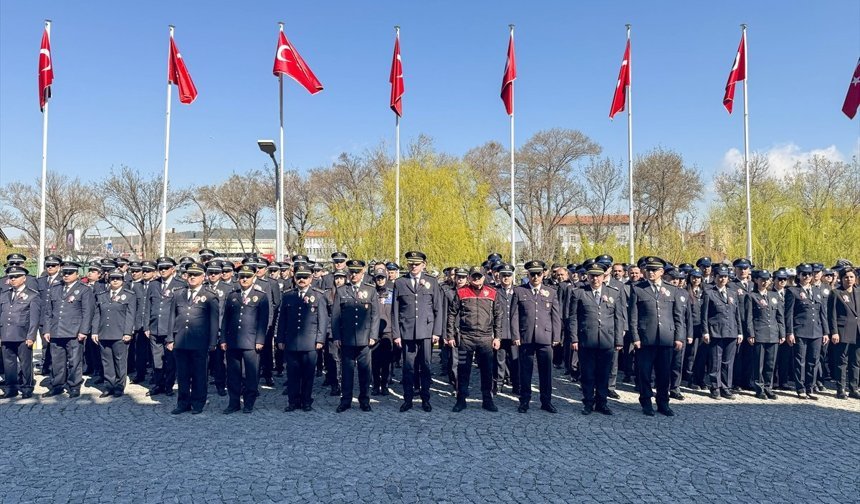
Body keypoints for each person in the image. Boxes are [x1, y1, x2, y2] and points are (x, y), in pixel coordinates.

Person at [628, 257, 684, 416]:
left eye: (654, 270)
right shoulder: (638, 288)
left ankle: (663, 402)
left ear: (662, 272)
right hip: (645, 338)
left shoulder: (672, 289)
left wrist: (678, 337)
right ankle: (646, 401)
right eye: (648, 270)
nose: (650, 272)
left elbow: (678, 316)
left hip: (666, 337)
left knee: (664, 373)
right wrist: (635, 337)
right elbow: (633, 316)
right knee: (644, 373)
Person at [446, 266, 503, 412]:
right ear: (469, 277)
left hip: (485, 339)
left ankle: (487, 400)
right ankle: (461, 399)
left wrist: (497, 337)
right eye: (474, 276)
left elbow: (498, 316)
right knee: (463, 370)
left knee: (487, 371)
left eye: (479, 276)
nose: (476, 279)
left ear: (484, 277)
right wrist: (450, 335)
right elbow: (452, 314)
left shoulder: (492, 293)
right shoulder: (461, 292)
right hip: (466, 338)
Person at [391, 251, 443, 413]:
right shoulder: (400, 283)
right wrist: (396, 334)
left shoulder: (432, 282)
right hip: (407, 332)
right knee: (408, 367)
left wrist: (436, 332)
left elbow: (438, 308)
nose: (413, 266)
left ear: (424, 265)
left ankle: (425, 399)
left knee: (425, 367)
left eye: (417, 264)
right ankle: (407, 399)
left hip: (426, 331)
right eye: (411, 264)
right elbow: (395, 310)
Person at [569, 262, 624, 415]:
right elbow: (573, 318)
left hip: (607, 340)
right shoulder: (578, 293)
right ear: (588, 276)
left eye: (598, 276)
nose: (595, 279)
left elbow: (618, 318)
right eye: (592, 276)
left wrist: (618, 340)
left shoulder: (613, 292)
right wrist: (574, 339)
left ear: (603, 276)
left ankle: (602, 402)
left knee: (604, 373)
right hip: (586, 340)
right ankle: (588, 402)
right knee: (587, 374)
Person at [510, 260, 562, 413]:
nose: (535, 277)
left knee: (546, 372)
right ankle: (524, 401)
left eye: (538, 274)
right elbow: (514, 315)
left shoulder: (551, 292)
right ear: (528, 274)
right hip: (526, 337)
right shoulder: (519, 291)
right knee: (525, 371)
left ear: (543, 274)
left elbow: (556, 317)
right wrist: (516, 335)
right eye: (532, 274)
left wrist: (556, 337)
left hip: (545, 338)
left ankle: (546, 401)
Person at [277, 264, 328, 412]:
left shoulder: (318, 295)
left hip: (310, 342)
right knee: (292, 374)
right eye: (299, 277)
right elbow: (283, 320)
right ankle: (292, 402)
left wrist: (320, 339)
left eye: (305, 277)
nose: (302, 280)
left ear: (311, 278)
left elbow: (322, 320)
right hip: (292, 342)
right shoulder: (288, 295)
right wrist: (280, 339)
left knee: (307, 375)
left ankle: (306, 401)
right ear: (294, 278)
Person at [171, 262, 219, 414]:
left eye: (196, 275)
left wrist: (212, 342)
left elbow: (213, 321)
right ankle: (183, 402)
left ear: (203, 277)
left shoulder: (210, 296)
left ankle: (198, 402)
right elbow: (172, 317)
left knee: (199, 374)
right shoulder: (178, 294)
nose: (192, 277)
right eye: (190, 274)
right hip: (181, 341)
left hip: (199, 342)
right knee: (183, 375)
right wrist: (169, 338)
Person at [331, 260, 379, 412]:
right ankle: (345, 400)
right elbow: (335, 316)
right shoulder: (341, 291)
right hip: (347, 338)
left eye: (356, 272)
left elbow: (375, 315)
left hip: (365, 338)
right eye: (351, 272)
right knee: (347, 372)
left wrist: (373, 335)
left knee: (365, 372)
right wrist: (337, 336)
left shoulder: (370, 290)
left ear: (362, 273)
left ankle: (364, 400)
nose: (353, 275)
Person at [220, 265, 269, 414]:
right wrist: (223, 339)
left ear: (254, 278)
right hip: (233, 341)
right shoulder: (232, 295)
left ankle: (249, 403)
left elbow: (263, 321)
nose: (245, 279)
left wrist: (260, 340)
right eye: (242, 277)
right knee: (233, 374)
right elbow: (225, 319)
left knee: (250, 374)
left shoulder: (261, 296)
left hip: (251, 342)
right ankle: (233, 403)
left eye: (248, 276)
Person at [42, 261, 95, 398]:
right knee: (57, 360)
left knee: (74, 361)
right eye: (64, 273)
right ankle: (57, 385)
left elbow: (87, 312)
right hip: (56, 330)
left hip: (74, 331)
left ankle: (74, 385)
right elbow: (48, 311)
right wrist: (47, 329)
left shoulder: (84, 289)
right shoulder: (55, 288)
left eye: (70, 273)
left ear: (77, 275)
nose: (66, 275)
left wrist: (83, 331)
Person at [785, 263, 829, 400]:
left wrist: (826, 332)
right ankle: (801, 387)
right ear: (799, 275)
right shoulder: (793, 291)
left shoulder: (817, 291)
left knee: (814, 360)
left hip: (816, 331)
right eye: (804, 274)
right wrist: (789, 332)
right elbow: (789, 314)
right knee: (800, 360)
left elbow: (822, 313)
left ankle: (810, 387)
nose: (807, 277)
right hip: (800, 330)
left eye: (809, 274)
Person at [91, 270, 137, 398]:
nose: (115, 281)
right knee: (106, 361)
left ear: (123, 280)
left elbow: (130, 315)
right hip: (104, 333)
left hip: (120, 333)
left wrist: (128, 332)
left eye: (118, 278)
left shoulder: (129, 295)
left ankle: (119, 386)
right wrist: (94, 331)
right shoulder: (102, 295)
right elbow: (97, 314)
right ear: (108, 280)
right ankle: (108, 385)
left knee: (120, 361)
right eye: (112, 279)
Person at [700, 265, 744, 400]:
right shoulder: (709, 292)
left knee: (728, 362)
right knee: (715, 361)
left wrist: (740, 332)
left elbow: (737, 314)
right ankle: (715, 387)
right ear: (715, 277)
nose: (722, 279)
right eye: (720, 277)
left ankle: (726, 387)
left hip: (731, 331)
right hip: (716, 331)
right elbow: (705, 314)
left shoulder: (732, 293)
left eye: (725, 277)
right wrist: (705, 331)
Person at [144, 256, 185, 397]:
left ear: (172, 269)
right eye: (160, 268)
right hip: (154, 327)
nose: (162, 270)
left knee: (170, 359)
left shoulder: (180, 284)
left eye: (166, 268)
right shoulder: (153, 284)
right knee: (156, 359)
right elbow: (148, 306)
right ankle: (158, 384)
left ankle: (168, 385)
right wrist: (146, 326)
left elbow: (181, 309)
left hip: (170, 328)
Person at [744, 270, 786, 400]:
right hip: (759, 333)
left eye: (767, 279)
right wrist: (750, 333)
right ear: (756, 280)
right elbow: (749, 317)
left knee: (770, 363)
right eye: (762, 279)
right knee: (759, 363)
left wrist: (782, 333)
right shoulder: (751, 296)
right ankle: (759, 387)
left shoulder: (774, 295)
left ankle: (768, 387)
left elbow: (780, 316)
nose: (764, 282)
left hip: (773, 333)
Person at [1, 265, 41, 399]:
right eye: (11, 277)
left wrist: (31, 336)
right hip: (6, 334)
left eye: (16, 277)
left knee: (25, 363)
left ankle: (27, 387)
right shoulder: (4, 295)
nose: (13, 279)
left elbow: (34, 318)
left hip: (23, 335)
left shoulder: (32, 295)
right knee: (9, 364)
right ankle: (10, 387)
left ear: (24, 278)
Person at [827, 267, 859, 399]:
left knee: (856, 362)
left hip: (857, 332)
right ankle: (840, 389)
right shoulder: (836, 293)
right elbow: (832, 315)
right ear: (841, 278)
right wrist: (834, 332)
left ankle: (853, 388)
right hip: (843, 331)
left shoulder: (858, 291)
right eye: (846, 277)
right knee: (842, 361)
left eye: (851, 277)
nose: (849, 279)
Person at [493, 263, 519, 395]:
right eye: (503, 275)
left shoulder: (519, 291)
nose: (506, 278)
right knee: (499, 360)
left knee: (516, 360)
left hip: (515, 333)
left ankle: (516, 385)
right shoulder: (494, 291)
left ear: (512, 276)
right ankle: (498, 384)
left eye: (508, 275)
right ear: (499, 276)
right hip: (500, 332)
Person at [371, 270, 394, 396]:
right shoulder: (371, 293)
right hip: (374, 332)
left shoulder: (392, 294)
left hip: (388, 332)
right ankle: (375, 385)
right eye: (378, 278)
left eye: (382, 278)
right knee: (375, 361)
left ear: (386, 279)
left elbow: (395, 313)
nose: (380, 280)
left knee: (386, 361)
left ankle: (384, 385)